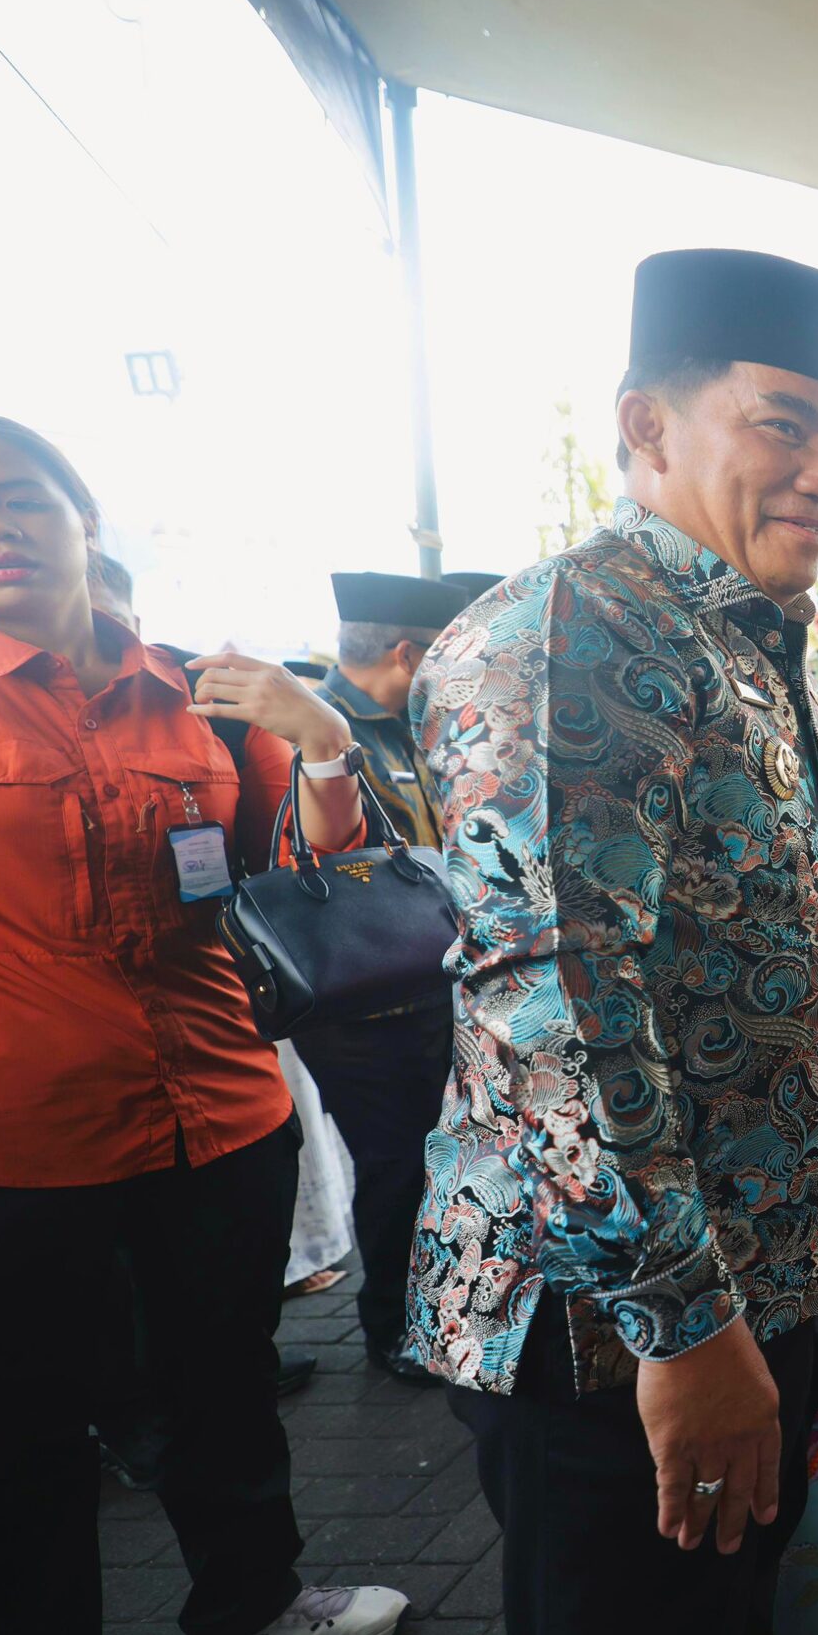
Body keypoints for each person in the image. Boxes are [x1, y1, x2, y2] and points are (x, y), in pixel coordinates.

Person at [403, 249, 818, 1635]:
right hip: (614, 1330)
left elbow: (786, 907)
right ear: (645, 428)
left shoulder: (743, 635)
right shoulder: (577, 630)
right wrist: (684, 1326)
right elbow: (554, 1007)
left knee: (718, 1633)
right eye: (783, 424)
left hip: (748, 1280)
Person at [0, 405, 408, 1635]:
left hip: (218, 1109)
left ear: (81, 517)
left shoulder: (201, 689)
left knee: (224, 1388)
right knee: (9, 1441)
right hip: (6, 1146)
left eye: (21, 494)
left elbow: (307, 871)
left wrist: (319, 744)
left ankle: (247, 1617)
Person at [290, 569, 474, 1387]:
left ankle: (440, 1306)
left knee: (435, 1153)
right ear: (407, 652)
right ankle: (394, 1325)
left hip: (427, 975)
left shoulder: (408, 723)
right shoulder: (315, 731)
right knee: (397, 1159)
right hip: (361, 996)